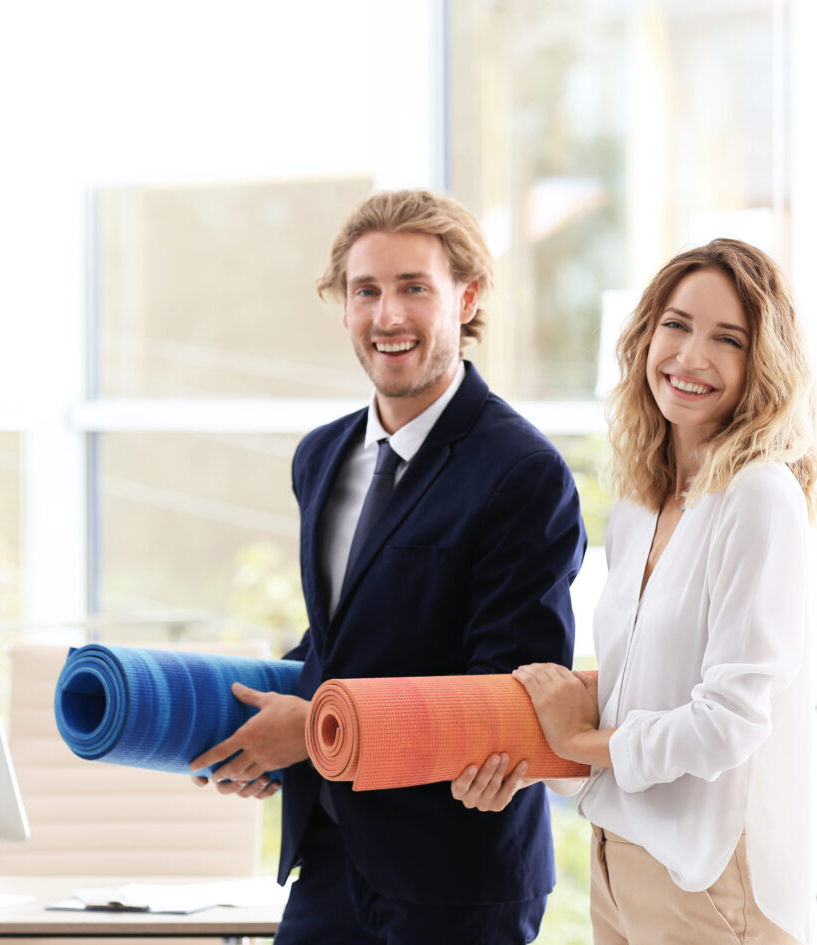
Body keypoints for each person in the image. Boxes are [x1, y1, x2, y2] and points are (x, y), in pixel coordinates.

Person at [187, 189, 588, 945]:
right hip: (333, 854)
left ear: (466, 298)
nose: (387, 316)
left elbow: (512, 691)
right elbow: (341, 642)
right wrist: (252, 738)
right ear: (342, 306)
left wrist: (308, 732)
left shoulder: (520, 471)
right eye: (365, 290)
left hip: (455, 875)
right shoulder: (322, 456)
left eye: (414, 288)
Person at [513, 239, 817, 944]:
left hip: (706, 874)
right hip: (616, 853)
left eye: (727, 339)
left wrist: (579, 738)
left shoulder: (759, 496)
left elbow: (728, 721)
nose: (689, 356)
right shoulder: (640, 500)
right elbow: (642, 689)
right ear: (645, 333)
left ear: (761, 365)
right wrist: (546, 736)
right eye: (676, 325)